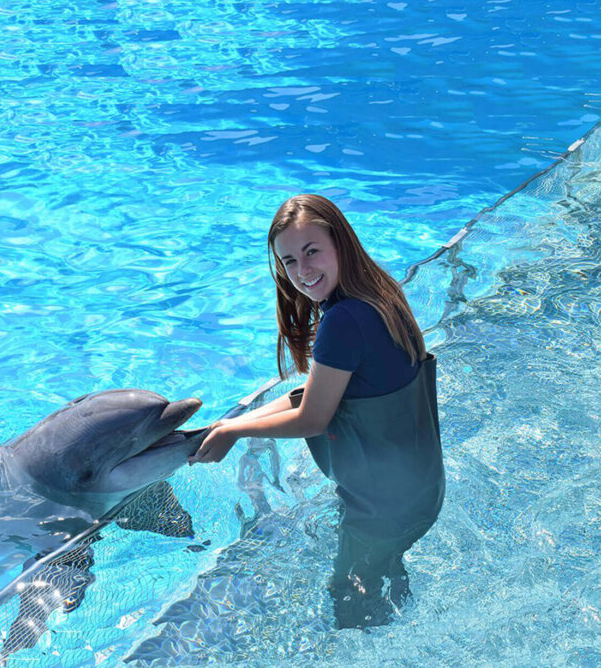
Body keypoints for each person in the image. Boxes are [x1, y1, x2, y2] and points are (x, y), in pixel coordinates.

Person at [190, 193, 445, 629]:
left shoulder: (343, 322)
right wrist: (234, 423)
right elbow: (316, 394)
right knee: (381, 575)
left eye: (312, 252)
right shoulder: (379, 295)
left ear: (340, 244)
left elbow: (313, 417)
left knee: (348, 604)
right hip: (418, 492)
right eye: (289, 261)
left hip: (381, 508)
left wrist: (232, 435)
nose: (302, 271)